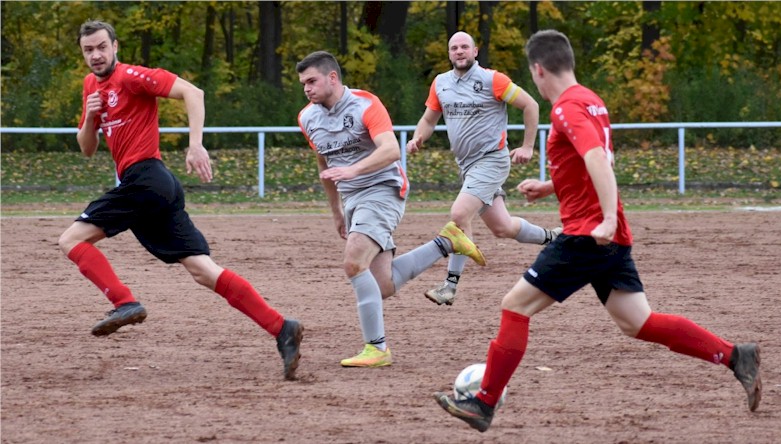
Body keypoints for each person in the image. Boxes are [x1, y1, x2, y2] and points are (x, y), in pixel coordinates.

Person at [433, 29, 762, 432]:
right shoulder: (591, 101)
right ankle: (736, 356)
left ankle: (483, 404)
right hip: (610, 235)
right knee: (637, 322)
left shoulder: (565, 109)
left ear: (538, 70)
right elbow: (593, 159)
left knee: (514, 306)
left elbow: (596, 159)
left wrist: (604, 218)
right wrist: (553, 186)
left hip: (588, 234)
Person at [59, 20, 304, 381]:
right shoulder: (90, 88)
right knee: (203, 271)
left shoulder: (131, 76)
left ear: (115, 46)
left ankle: (124, 302)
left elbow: (194, 92)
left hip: (147, 179)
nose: (96, 55)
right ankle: (282, 327)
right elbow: (87, 148)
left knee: (70, 240)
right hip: (154, 188)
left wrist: (195, 144)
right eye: (88, 50)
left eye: (101, 47)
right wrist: (91, 115)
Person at [296, 51, 486, 368]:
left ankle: (377, 348)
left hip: (383, 189)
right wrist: (336, 211)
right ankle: (448, 242)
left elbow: (389, 149)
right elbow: (323, 163)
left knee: (354, 262)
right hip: (352, 198)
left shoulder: (365, 104)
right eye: (303, 83)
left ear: (332, 78)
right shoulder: (307, 118)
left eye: (312, 81)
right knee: (383, 285)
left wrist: (353, 171)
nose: (307, 88)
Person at [406, 31, 561, 307]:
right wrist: (418, 137)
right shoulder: (440, 83)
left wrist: (527, 147)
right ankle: (555, 237)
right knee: (503, 227)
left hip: (491, 160)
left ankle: (449, 286)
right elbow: (428, 120)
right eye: (454, 48)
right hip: (467, 167)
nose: (459, 51)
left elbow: (531, 104)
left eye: (465, 46)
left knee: (458, 214)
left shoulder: (493, 79)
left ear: (475, 51)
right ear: (449, 53)